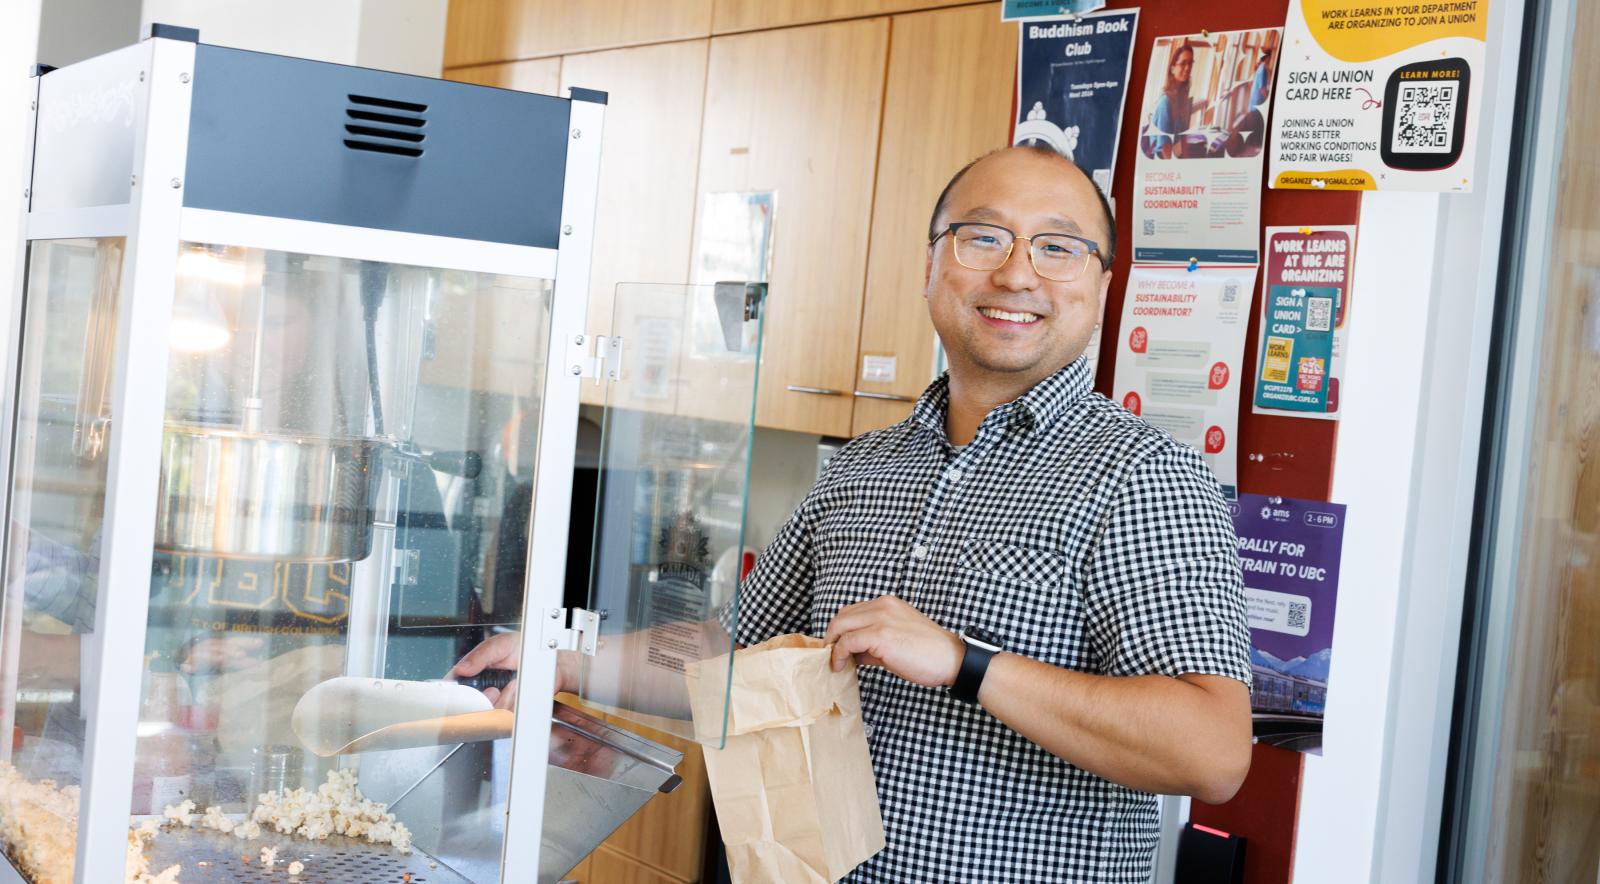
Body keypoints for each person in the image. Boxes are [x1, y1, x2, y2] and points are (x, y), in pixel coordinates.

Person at [455, 145, 1252, 882]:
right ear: (932, 263)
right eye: (984, 238)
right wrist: (564, 662)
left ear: (1102, 284)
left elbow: (1210, 751)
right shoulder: (861, 470)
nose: (1017, 274)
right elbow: (732, 653)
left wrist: (965, 663)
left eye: (1057, 246)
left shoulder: (1144, 478)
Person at [1149, 42, 1198, 157]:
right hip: (1161, 159)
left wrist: (1187, 159)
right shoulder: (1165, 102)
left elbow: (1183, 136)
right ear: (1172, 69)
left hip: (1175, 153)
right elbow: (1165, 150)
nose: (1188, 68)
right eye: (1183, 63)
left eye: (1190, 63)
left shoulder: (1182, 98)